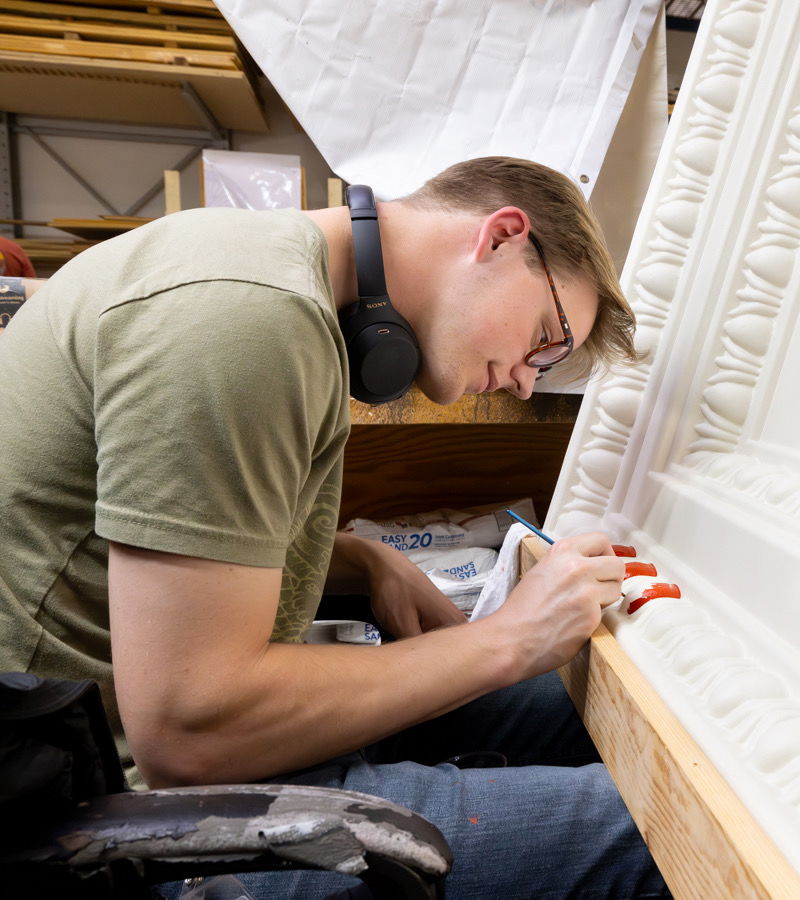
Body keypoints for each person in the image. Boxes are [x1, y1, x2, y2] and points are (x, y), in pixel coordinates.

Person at [0, 156, 668, 898]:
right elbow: (188, 736)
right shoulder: (246, 318)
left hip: (156, 748)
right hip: (121, 820)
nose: (523, 380)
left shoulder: (267, 275)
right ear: (502, 238)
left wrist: (360, 561)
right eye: (544, 337)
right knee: (658, 835)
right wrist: (508, 639)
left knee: (592, 712)